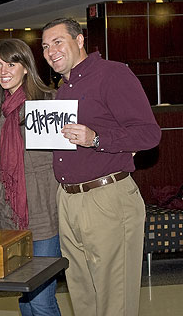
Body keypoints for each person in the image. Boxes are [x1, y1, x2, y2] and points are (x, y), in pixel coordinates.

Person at [41, 18, 161, 316]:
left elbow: (149, 134)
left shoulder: (112, 74)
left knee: (114, 297)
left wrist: (97, 138)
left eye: (58, 42)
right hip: (69, 199)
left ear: (79, 40)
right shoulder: (64, 88)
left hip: (106, 197)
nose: (51, 51)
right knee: (82, 294)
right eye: (45, 46)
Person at [0, 39, 60, 316]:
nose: (3, 70)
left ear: (26, 67)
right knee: (25, 296)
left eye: (11, 63)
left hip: (42, 212)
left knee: (41, 300)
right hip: (11, 215)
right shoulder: (0, 109)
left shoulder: (48, 102)